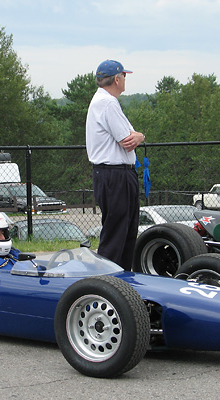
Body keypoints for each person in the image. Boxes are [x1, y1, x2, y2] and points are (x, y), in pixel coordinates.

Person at [85, 60, 145, 270]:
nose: (125, 80)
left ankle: (121, 279)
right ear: (117, 79)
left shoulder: (104, 101)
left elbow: (131, 136)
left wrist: (137, 136)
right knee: (117, 232)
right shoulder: (108, 103)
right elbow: (127, 140)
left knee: (126, 230)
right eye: (124, 76)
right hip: (115, 174)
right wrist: (140, 136)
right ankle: (108, 283)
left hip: (114, 174)